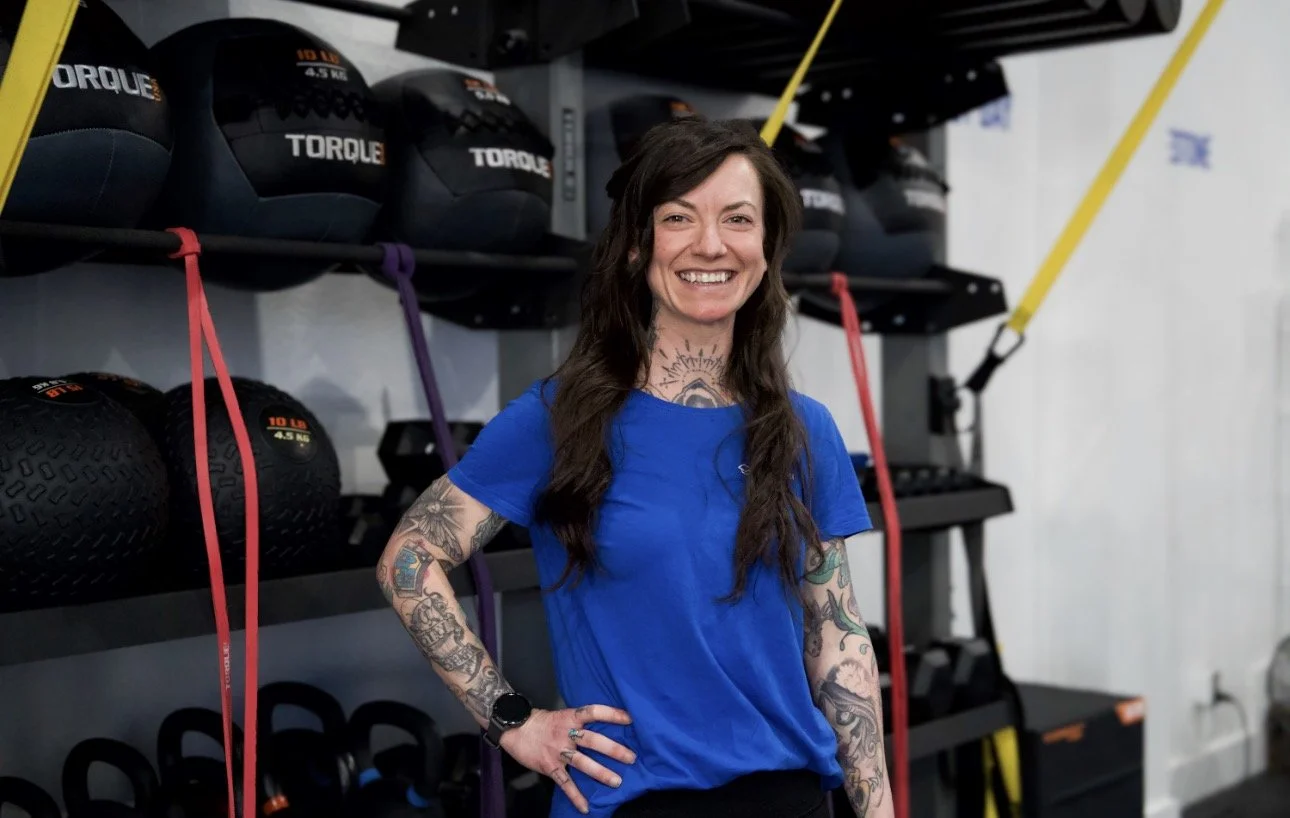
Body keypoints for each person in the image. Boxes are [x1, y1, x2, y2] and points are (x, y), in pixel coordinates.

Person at [376, 115, 892, 818]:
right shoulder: (559, 420)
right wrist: (512, 722)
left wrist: (881, 808)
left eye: (738, 219)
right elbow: (410, 557)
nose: (710, 244)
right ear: (634, 247)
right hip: (631, 799)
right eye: (678, 216)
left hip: (788, 796)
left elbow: (836, 635)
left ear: (767, 248)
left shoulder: (804, 430)